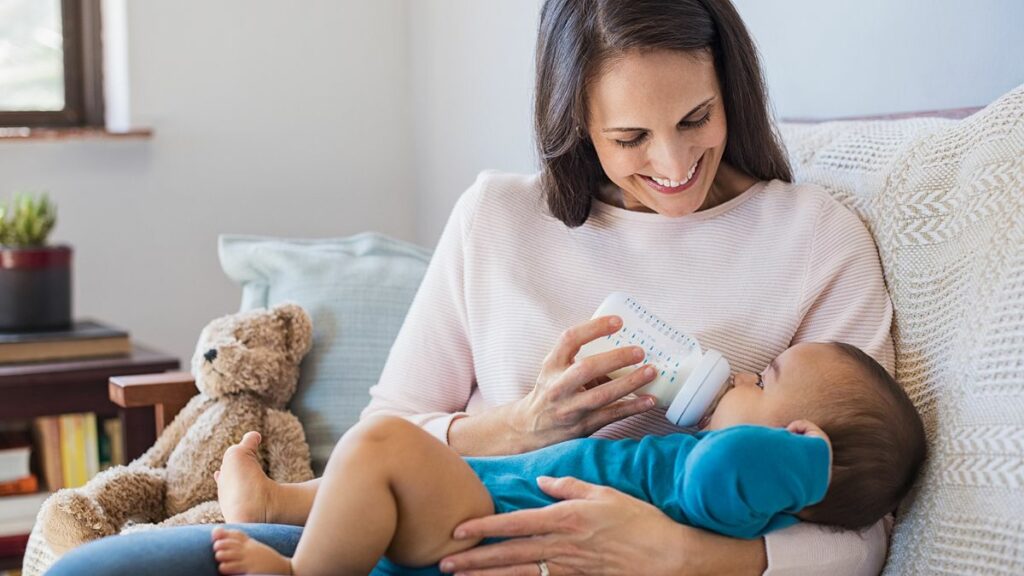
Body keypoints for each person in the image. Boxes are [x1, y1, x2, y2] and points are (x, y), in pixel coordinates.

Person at [46, 1, 901, 574]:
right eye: (631, 136)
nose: (673, 166)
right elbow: (388, 429)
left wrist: (668, 553)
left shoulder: (814, 236)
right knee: (97, 570)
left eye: (695, 120)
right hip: (431, 536)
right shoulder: (500, 217)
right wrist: (520, 423)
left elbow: (864, 522)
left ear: (730, 93)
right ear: (576, 123)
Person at [208, 342, 926, 575]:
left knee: (383, 447)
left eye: (762, 380)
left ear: (795, 444)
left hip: (492, 525)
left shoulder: (727, 481)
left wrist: (804, 462)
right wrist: (521, 418)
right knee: (388, 464)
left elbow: (739, 470)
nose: (740, 375)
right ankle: (280, 502)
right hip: (490, 491)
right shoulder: (491, 211)